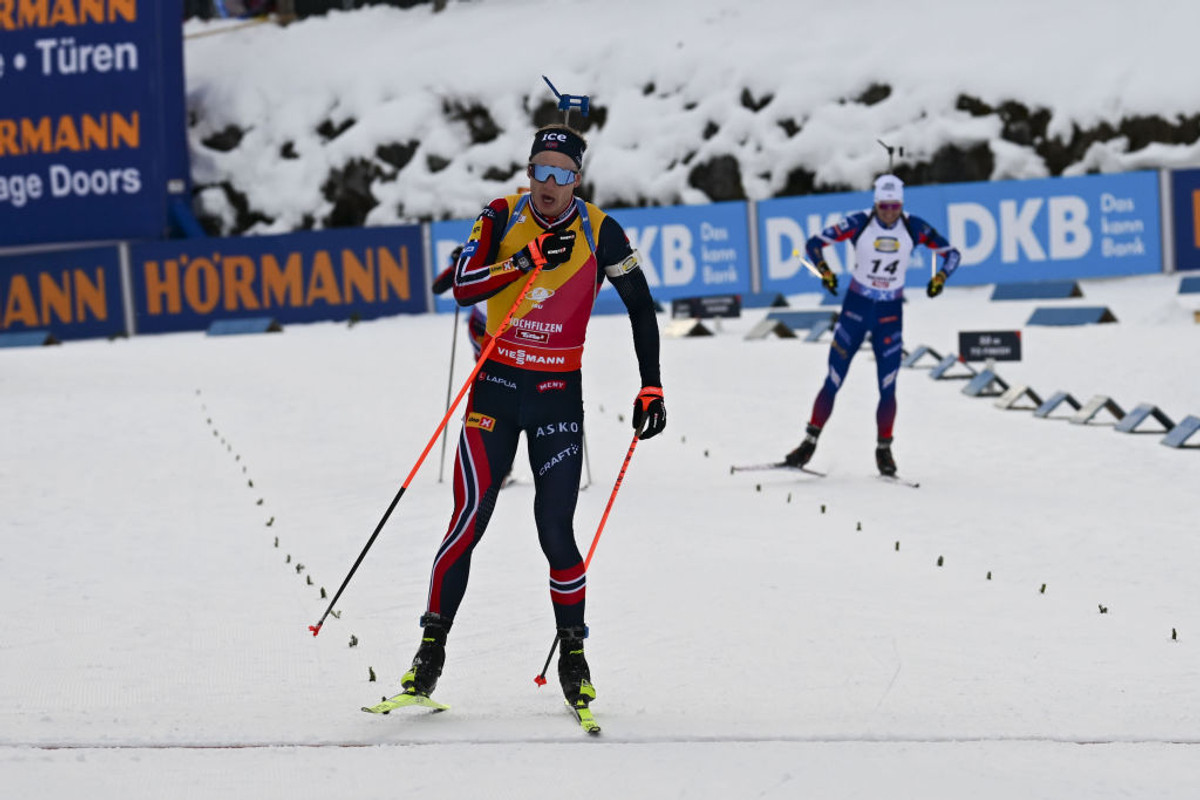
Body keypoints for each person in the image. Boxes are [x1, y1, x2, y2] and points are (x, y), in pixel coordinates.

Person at [400, 124, 666, 714]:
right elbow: (464, 287)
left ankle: (574, 655)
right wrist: (523, 260)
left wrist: (651, 383)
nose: (548, 184)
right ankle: (430, 651)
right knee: (468, 518)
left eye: (562, 173)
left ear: (578, 179)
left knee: (555, 529)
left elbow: (641, 305)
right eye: (540, 170)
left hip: (554, 395)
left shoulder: (601, 230)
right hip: (494, 389)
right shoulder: (499, 215)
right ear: (528, 173)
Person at [785, 174, 960, 476]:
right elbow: (814, 244)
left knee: (888, 386)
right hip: (857, 308)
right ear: (875, 203)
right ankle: (808, 443)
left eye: (894, 206)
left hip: (890, 314)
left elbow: (951, 254)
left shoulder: (913, 226)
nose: (889, 212)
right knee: (833, 380)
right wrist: (824, 272)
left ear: (901, 204)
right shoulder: (859, 223)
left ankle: (884, 451)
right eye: (883, 206)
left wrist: (940, 278)